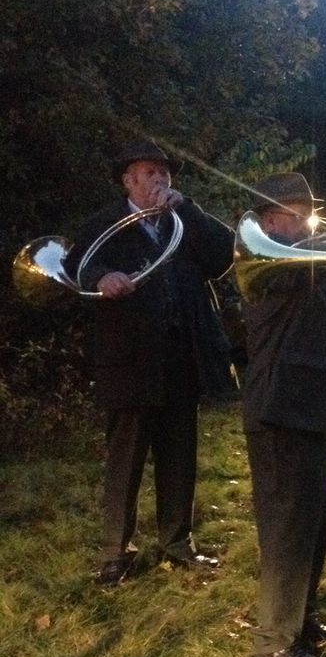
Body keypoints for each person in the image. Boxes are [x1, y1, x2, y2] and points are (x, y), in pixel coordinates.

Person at [64, 139, 234, 585]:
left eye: (165, 174)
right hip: (130, 361)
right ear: (128, 180)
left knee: (179, 454)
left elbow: (223, 258)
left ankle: (177, 543)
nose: (160, 180)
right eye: (150, 173)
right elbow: (76, 267)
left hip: (181, 358)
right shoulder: (103, 224)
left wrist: (190, 211)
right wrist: (103, 276)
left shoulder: (184, 221)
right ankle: (115, 552)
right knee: (127, 458)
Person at [241, 173, 326, 657]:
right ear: (268, 222)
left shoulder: (306, 265)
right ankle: (272, 644)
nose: (307, 222)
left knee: (310, 527)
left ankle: (300, 621)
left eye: (308, 213)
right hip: (283, 411)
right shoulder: (272, 265)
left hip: (312, 410)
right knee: (287, 532)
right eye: (294, 213)